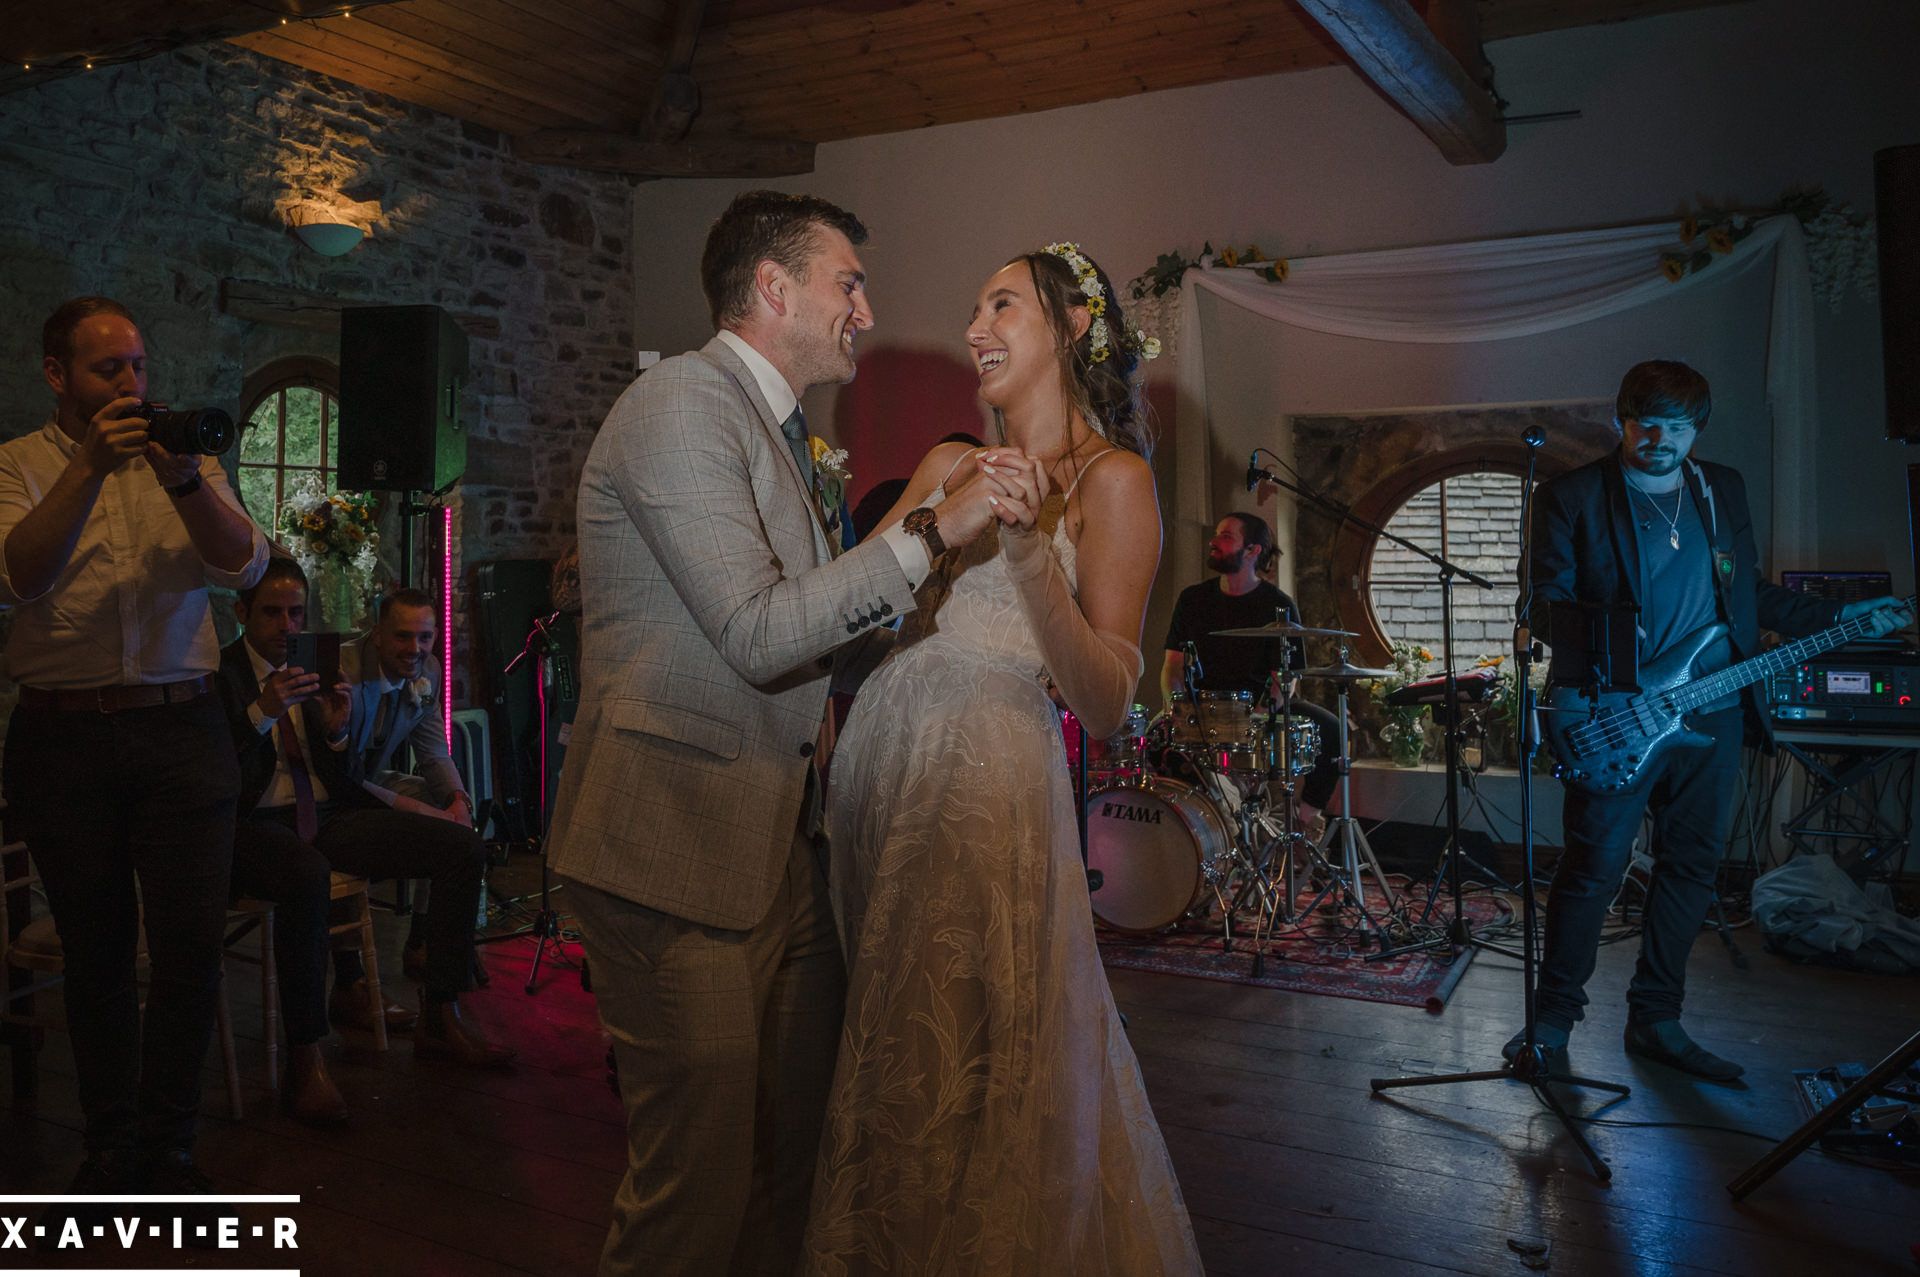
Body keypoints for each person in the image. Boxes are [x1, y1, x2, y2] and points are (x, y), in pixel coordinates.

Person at [546, 191, 1005, 1275]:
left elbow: (815, 650)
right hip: (673, 849)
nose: (865, 307)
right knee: (692, 1192)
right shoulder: (678, 403)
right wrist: (936, 527)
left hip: (782, 850)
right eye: (848, 281)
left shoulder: (785, 434)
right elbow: (756, 634)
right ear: (773, 287)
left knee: (793, 1167)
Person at [804, 242, 1201, 1271]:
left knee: (972, 1045)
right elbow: (841, 616)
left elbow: (1109, 699)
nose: (975, 326)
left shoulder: (1114, 484)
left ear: (1073, 326)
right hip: (881, 767)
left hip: (989, 783)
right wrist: (944, 521)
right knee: (888, 1036)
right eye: (974, 305)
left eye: (1003, 304)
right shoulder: (946, 465)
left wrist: (1028, 553)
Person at [1514, 359, 1912, 1082]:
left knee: (1692, 867)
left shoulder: (1719, 487)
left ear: (1698, 427)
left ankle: (1657, 1019)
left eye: (1678, 424)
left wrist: (1842, 615)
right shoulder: (1571, 495)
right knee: (1592, 868)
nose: (1661, 437)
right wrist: (1622, 659)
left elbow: (1748, 596)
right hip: (1620, 710)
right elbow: (1544, 603)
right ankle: (1550, 1023)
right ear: (1622, 419)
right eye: (1647, 421)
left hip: (1717, 707)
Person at [0, 297, 268, 1206]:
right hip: (62, 735)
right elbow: (17, 575)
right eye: (109, 368)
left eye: (139, 366)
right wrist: (87, 467)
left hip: (182, 726)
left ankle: (171, 1143)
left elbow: (246, 567)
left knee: (191, 946)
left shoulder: (185, 459)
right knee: (98, 950)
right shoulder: (17, 467)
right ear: (57, 375)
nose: (131, 384)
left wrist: (184, 479)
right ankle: (109, 1144)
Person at [217, 558, 513, 1086]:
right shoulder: (219, 673)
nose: (288, 627)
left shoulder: (316, 667)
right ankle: (307, 1055)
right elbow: (213, 769)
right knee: (307, 873)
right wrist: (261, 712)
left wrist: (335, 732)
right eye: (273, 614)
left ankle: (440, 1014)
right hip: (256, 822)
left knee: (460, 847)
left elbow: (346, 768)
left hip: (328, 810)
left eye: (297, 614)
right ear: (242, 612)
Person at [1160, 511, 1342, 832]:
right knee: (1154, 738)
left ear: (1253, 551)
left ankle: (1303, 821)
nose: (1214, 542)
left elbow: (1285, 680)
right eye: (1216, 534)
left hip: (1258, 708)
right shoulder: (1193, 599)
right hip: (1204, 707)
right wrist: (1174, 704)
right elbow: (1173, 665)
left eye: (1226, 536)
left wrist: (1257, 717)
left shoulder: (1278, 606)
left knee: (1331, 728)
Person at [339, 587, 477, 986]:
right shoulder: (346, 669)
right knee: (430, 816)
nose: (415, 648)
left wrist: (457, 802)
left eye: (425, 637)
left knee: (446, 805)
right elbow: (343, 777)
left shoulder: (428, 671)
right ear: (378, 634)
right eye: (402, 636)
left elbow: (434, 751)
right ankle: (350, 980)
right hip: (334, 789)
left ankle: (422, 938)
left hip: (374, 778)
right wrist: (424, 813)